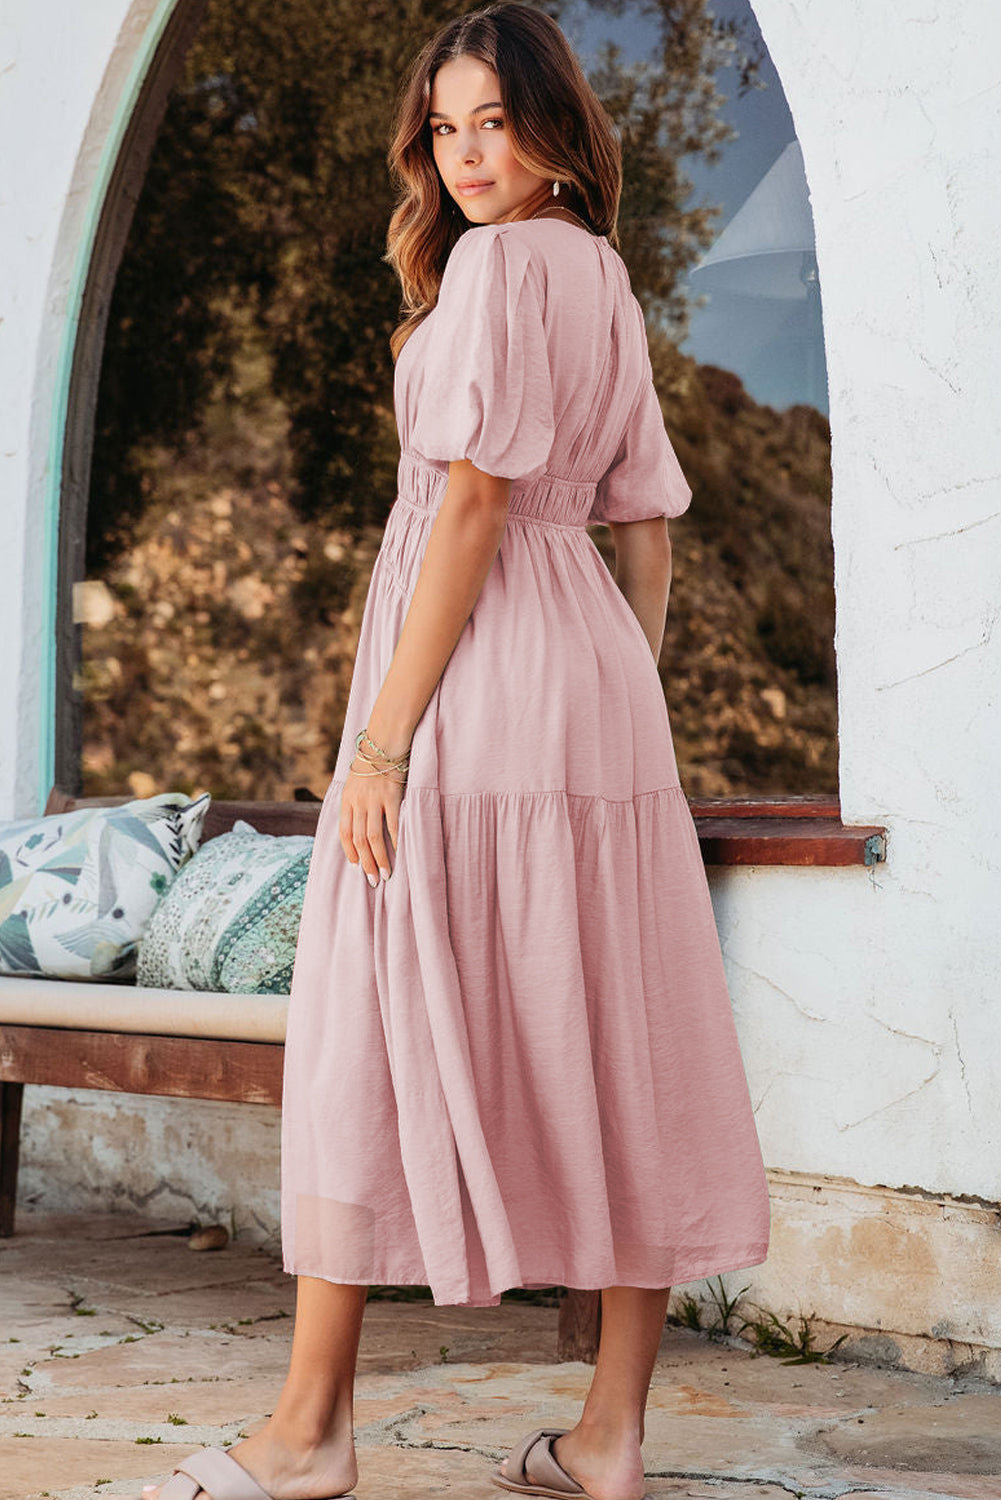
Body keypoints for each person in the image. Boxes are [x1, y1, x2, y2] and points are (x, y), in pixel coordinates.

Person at [144, 4, 769, 1499]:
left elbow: (475, 505)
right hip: (593, 681)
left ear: (553, 128)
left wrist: (379, 747)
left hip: (472, 672)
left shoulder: (494, 268)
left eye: (496, 121)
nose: (469, 154)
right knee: (618, 1032)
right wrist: (623, 687)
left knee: (369, 1013)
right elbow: (644, 519)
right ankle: (607, 1437)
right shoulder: (601, 271)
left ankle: (309, 1432)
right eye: (446, 127)